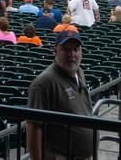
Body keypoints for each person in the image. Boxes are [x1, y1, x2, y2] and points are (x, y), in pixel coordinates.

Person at [27, 31, 94, 160]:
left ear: (81, 52)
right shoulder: (44, 82)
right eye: (66, 49)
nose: (72, 54)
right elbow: (34, 127)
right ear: (55, 51)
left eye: (76, 49)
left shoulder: (79, 72)